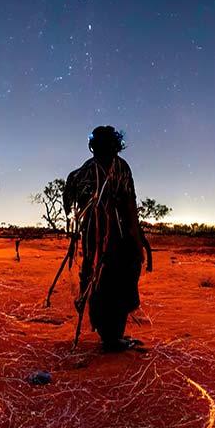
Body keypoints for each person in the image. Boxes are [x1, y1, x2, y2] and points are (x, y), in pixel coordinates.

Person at [63, 125, 151, 352]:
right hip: (103, 238)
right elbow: (130, 206)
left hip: (110, 238)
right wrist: (135, 236)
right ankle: (110, 337)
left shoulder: (98, 170)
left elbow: (128, 204)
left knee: (110, 280)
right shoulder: (92, 171)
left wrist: (135, 237)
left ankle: (110, 335)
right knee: (102, 280)